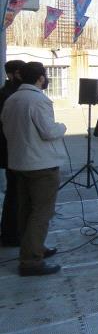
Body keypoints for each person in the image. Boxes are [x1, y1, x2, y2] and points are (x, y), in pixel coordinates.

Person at [1, 62, 66, 275]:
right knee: (41, 212)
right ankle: (31, 261)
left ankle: (33, 247)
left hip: (20, 163)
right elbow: (48, 131)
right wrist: (62, 127)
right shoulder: (38, 100)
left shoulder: (12, 99)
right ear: (40, 78)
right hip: (41, 165)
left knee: (26, 210)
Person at [0, 59, 25, 247]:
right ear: (13, 74)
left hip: (12, 150)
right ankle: (12, 234)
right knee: (16, 194)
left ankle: (11, 232)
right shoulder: (9, 95)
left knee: (14, 192)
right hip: (13, 151)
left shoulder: (10, 93)